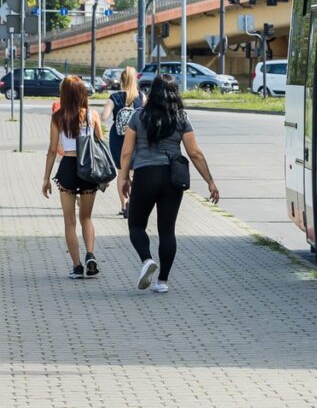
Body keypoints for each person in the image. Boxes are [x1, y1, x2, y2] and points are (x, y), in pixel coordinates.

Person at [117, 74, 219, 293]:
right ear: (175, 94)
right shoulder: (181, 118)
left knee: (136, 225)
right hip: (173, 178)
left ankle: (146, 260)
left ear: (152, 92)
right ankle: (162, 281)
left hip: (145, 175)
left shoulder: (138, 116)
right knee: (167, 230)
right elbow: (195, 153)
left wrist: (124, 177)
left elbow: (126, 153)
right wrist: (210, 181)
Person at [41, 75, 104, 279]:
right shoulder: (92, 115)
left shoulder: (58, 117)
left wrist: (46, 178)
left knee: (69, 222)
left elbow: (52, 150)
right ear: (82, 93)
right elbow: (100, 144)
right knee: (86, 217)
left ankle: (77, 267)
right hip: (88, 169)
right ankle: (91, 255)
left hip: (67, 167)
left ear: (64, 94)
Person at [101, 66, 145, 218]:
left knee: (122, 172)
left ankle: (124, 204)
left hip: (118, 138)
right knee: (136, 171)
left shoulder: (115, 97)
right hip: (137, 138)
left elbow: (104, 117)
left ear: (121, 80)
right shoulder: (141, 96)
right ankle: (136, 203)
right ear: (135, 80)